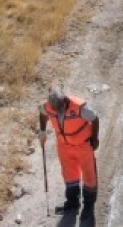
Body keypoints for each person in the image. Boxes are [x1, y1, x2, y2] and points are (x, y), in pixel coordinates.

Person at [38, 87, 100, 219]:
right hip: (64, 147)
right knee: (69, 175)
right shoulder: (49, 106)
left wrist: (94, 139)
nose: (58, 111)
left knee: (89, 176)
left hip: (83, 145)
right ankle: (72, 203)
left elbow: (94, 118)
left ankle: (88, 207)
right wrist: (42, 131)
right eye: (55, 109)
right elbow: (42, 114)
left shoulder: (79, 107)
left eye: (60, 108)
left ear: (65, 100)